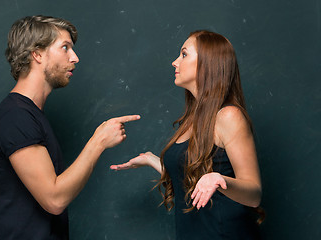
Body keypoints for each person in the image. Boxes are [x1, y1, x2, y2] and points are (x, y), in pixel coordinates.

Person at [0, 15, 140, 240]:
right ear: (37, 54)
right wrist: (99, 141)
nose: (74, 57)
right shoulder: (15, 117)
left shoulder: (29, 115)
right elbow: (54, 199)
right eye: (65, 48)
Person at [111, 30, 262, 239]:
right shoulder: (193, 119)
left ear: (207, 63)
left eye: (184, 54)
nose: (174, 62)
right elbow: (191, 175)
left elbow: (254, 194)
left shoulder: (229, 116)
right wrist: (150, 159)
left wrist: (219, 179)